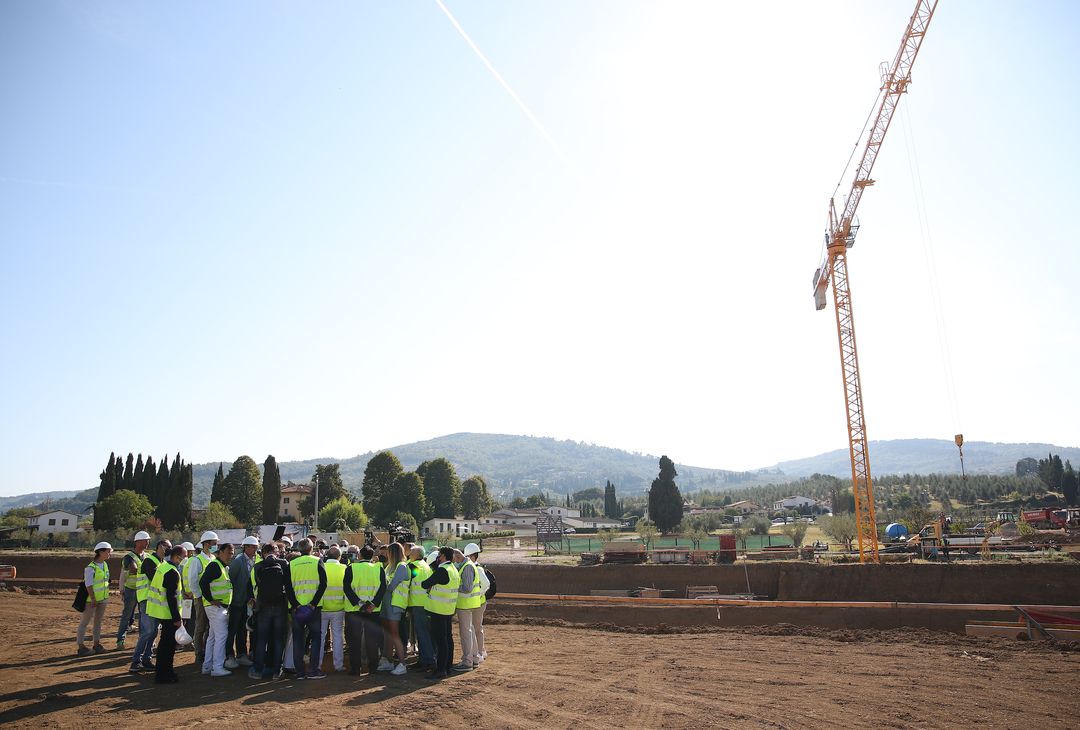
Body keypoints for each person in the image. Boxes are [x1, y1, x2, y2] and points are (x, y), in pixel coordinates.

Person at [285, 538, 327, 680]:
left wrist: (295, 604)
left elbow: (288, 587)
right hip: (313, 608)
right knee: (315, 638)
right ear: (311, 548)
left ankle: (300, 672)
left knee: (298, 639)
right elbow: (323, 584)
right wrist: (313, 603)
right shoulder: (317, 561)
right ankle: (313, 670)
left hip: (297, 609)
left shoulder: (291, 564)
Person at [129, 538, 171, 673]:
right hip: (147, 599)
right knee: (148, 631)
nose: (166, 549)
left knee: (153, 631)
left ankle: (146, 659)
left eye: (169, 547)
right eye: (165, 546)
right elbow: (156, 579)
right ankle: (136, 661)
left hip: (155, 601)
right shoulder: (149, 561)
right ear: (158, 546)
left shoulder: (162, 563)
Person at [343, 545, 385, 675]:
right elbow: (383, 588)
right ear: (372, 556)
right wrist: (373, 604)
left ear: (360, 555)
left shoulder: (351, 568)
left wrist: (359, 603)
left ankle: (356, 668)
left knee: (354, 640)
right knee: (372, 639)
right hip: (373, 610)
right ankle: (373, 667)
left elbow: (347, 588)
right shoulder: (379, 568)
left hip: (354, 610)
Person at [146, 545, 186, 683]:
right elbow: (172, 597)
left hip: (160, 612)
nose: (184, 560)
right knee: (168, 646)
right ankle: (164, 674)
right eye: (183, 557)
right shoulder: (172, 572)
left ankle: (163, 672)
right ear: (176, 556)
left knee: (165, 645)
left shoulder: (163, 567)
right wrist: (177, 618)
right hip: (168, 614)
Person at [420, 546, 460, 680]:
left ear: (442, 556)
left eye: (439, 555)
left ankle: (441, 669)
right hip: (448, 609)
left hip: (438, 610)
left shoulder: (442, 570)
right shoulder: (453, 569)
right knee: (448, 639)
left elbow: (425, 584)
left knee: (441, 641)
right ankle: (447, 667)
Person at [250, 543, 288, 679]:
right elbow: (288, 585)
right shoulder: (284, 563)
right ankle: (276, 671)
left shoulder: (257, 566)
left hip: (263, 606)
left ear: (263, 552)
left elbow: (255, 587)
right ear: (276, 551)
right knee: (278, 639)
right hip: (280, 606)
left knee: (261, 639)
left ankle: (258, 670)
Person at [199, 542, 234, 677]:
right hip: (215, 607)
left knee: (213, 637)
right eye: (227, 553)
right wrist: (210, 599)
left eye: (231, 553)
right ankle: (217, 667)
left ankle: (207, 666)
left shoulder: (221, 566)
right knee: (221, 636)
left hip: (217, 607)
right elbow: (203, 582)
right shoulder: (215, 565)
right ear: (220, 552)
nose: (230, 555)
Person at [226, 536, 258, 669]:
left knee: (242, 629)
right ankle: (229, 656)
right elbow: (231, 580)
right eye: (253, 547)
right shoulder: (238, 562)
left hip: (247, 602)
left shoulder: (254, 560)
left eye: (256, 547)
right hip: (236, 602)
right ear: (246, 547)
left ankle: (241, 654)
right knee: (233, 629)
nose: (255, 549)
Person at [379, 542, 410, 676]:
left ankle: (402, 664)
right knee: (388, 633)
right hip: (387, 604)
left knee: (394, 634)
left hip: (395, 604)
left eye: (388, 552)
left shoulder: (401, 566)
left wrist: (382, 584)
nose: (386, 554)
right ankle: (389, 661)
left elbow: (391, 586)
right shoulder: (390, 567)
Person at [115, 530, 149, 650]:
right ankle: (120, 640)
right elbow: (132, 570)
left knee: (143, 616)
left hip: (143, 591)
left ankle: (142, 641)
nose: (147, 542)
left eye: (148, 540)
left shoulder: (147, 556)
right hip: (131, 590)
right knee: (127, 615)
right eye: (145, 540)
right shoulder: (129, 557)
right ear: (138, 542)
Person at [77, 542, 112, 655]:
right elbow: (88, 584)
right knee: (84, 622)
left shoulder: (105, 565)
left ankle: (96, 644)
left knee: (98, 622)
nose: (109, 553)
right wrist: (93, 598)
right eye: (108, 551)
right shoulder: (90, 568)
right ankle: (81, 646)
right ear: (101, 552)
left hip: (103, 598)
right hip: (91, 600)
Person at [188, 531, 218, 664]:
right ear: (205, 544)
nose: (215, 546)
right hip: (201, 598)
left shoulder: (213, 559)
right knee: (201, 626)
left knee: (210, 626)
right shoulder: (196, 560)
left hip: (212, 598)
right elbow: (193, 581)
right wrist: (199, 597)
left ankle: (207, 650)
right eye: (213, 544)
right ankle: (199, 652)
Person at [317, 546, 347, 673]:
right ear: (339, 557)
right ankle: (338, 665)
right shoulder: (344, 568)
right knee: (338, 637)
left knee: (319, 637)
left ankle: (317, 664)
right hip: (338, 608)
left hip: (322, 607)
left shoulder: (321, 567)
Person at [453, 546, 482, 672]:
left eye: (454, 560)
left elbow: (467, 588)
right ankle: (474, 659)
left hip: (465, 604)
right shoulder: (468, 565)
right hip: (469, 603)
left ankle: (467, 661)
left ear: (458, 557)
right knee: (470, 632)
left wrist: (453, 588)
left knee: (466, 634)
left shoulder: (467, 567)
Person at [406, 545, 435, 671]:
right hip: (426, 603)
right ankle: (423, 659)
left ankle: (428, 661)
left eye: (411, 553)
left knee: (422, 634)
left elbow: (408, 581)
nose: (409, 555)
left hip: (417, 604)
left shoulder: (414, 567)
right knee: (423, 633)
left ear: (416, 555)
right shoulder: (426, 566)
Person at [463, 542, 489, 666]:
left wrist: (477, 595)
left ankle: (480, 652)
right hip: (475, 603)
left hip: (479, 603)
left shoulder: (477, 569)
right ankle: (479, 652)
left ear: (472, 556)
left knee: (476, 627)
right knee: (475, 628)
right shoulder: (472, 567)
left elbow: (486, 584)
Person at [177, 542, 196, 642]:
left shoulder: (180, 563)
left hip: (184, 596)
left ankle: (179, 641)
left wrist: (183, 592)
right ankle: (188, 640)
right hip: (190, 597)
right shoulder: (190, 562)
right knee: (190, 620)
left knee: (184, 619)